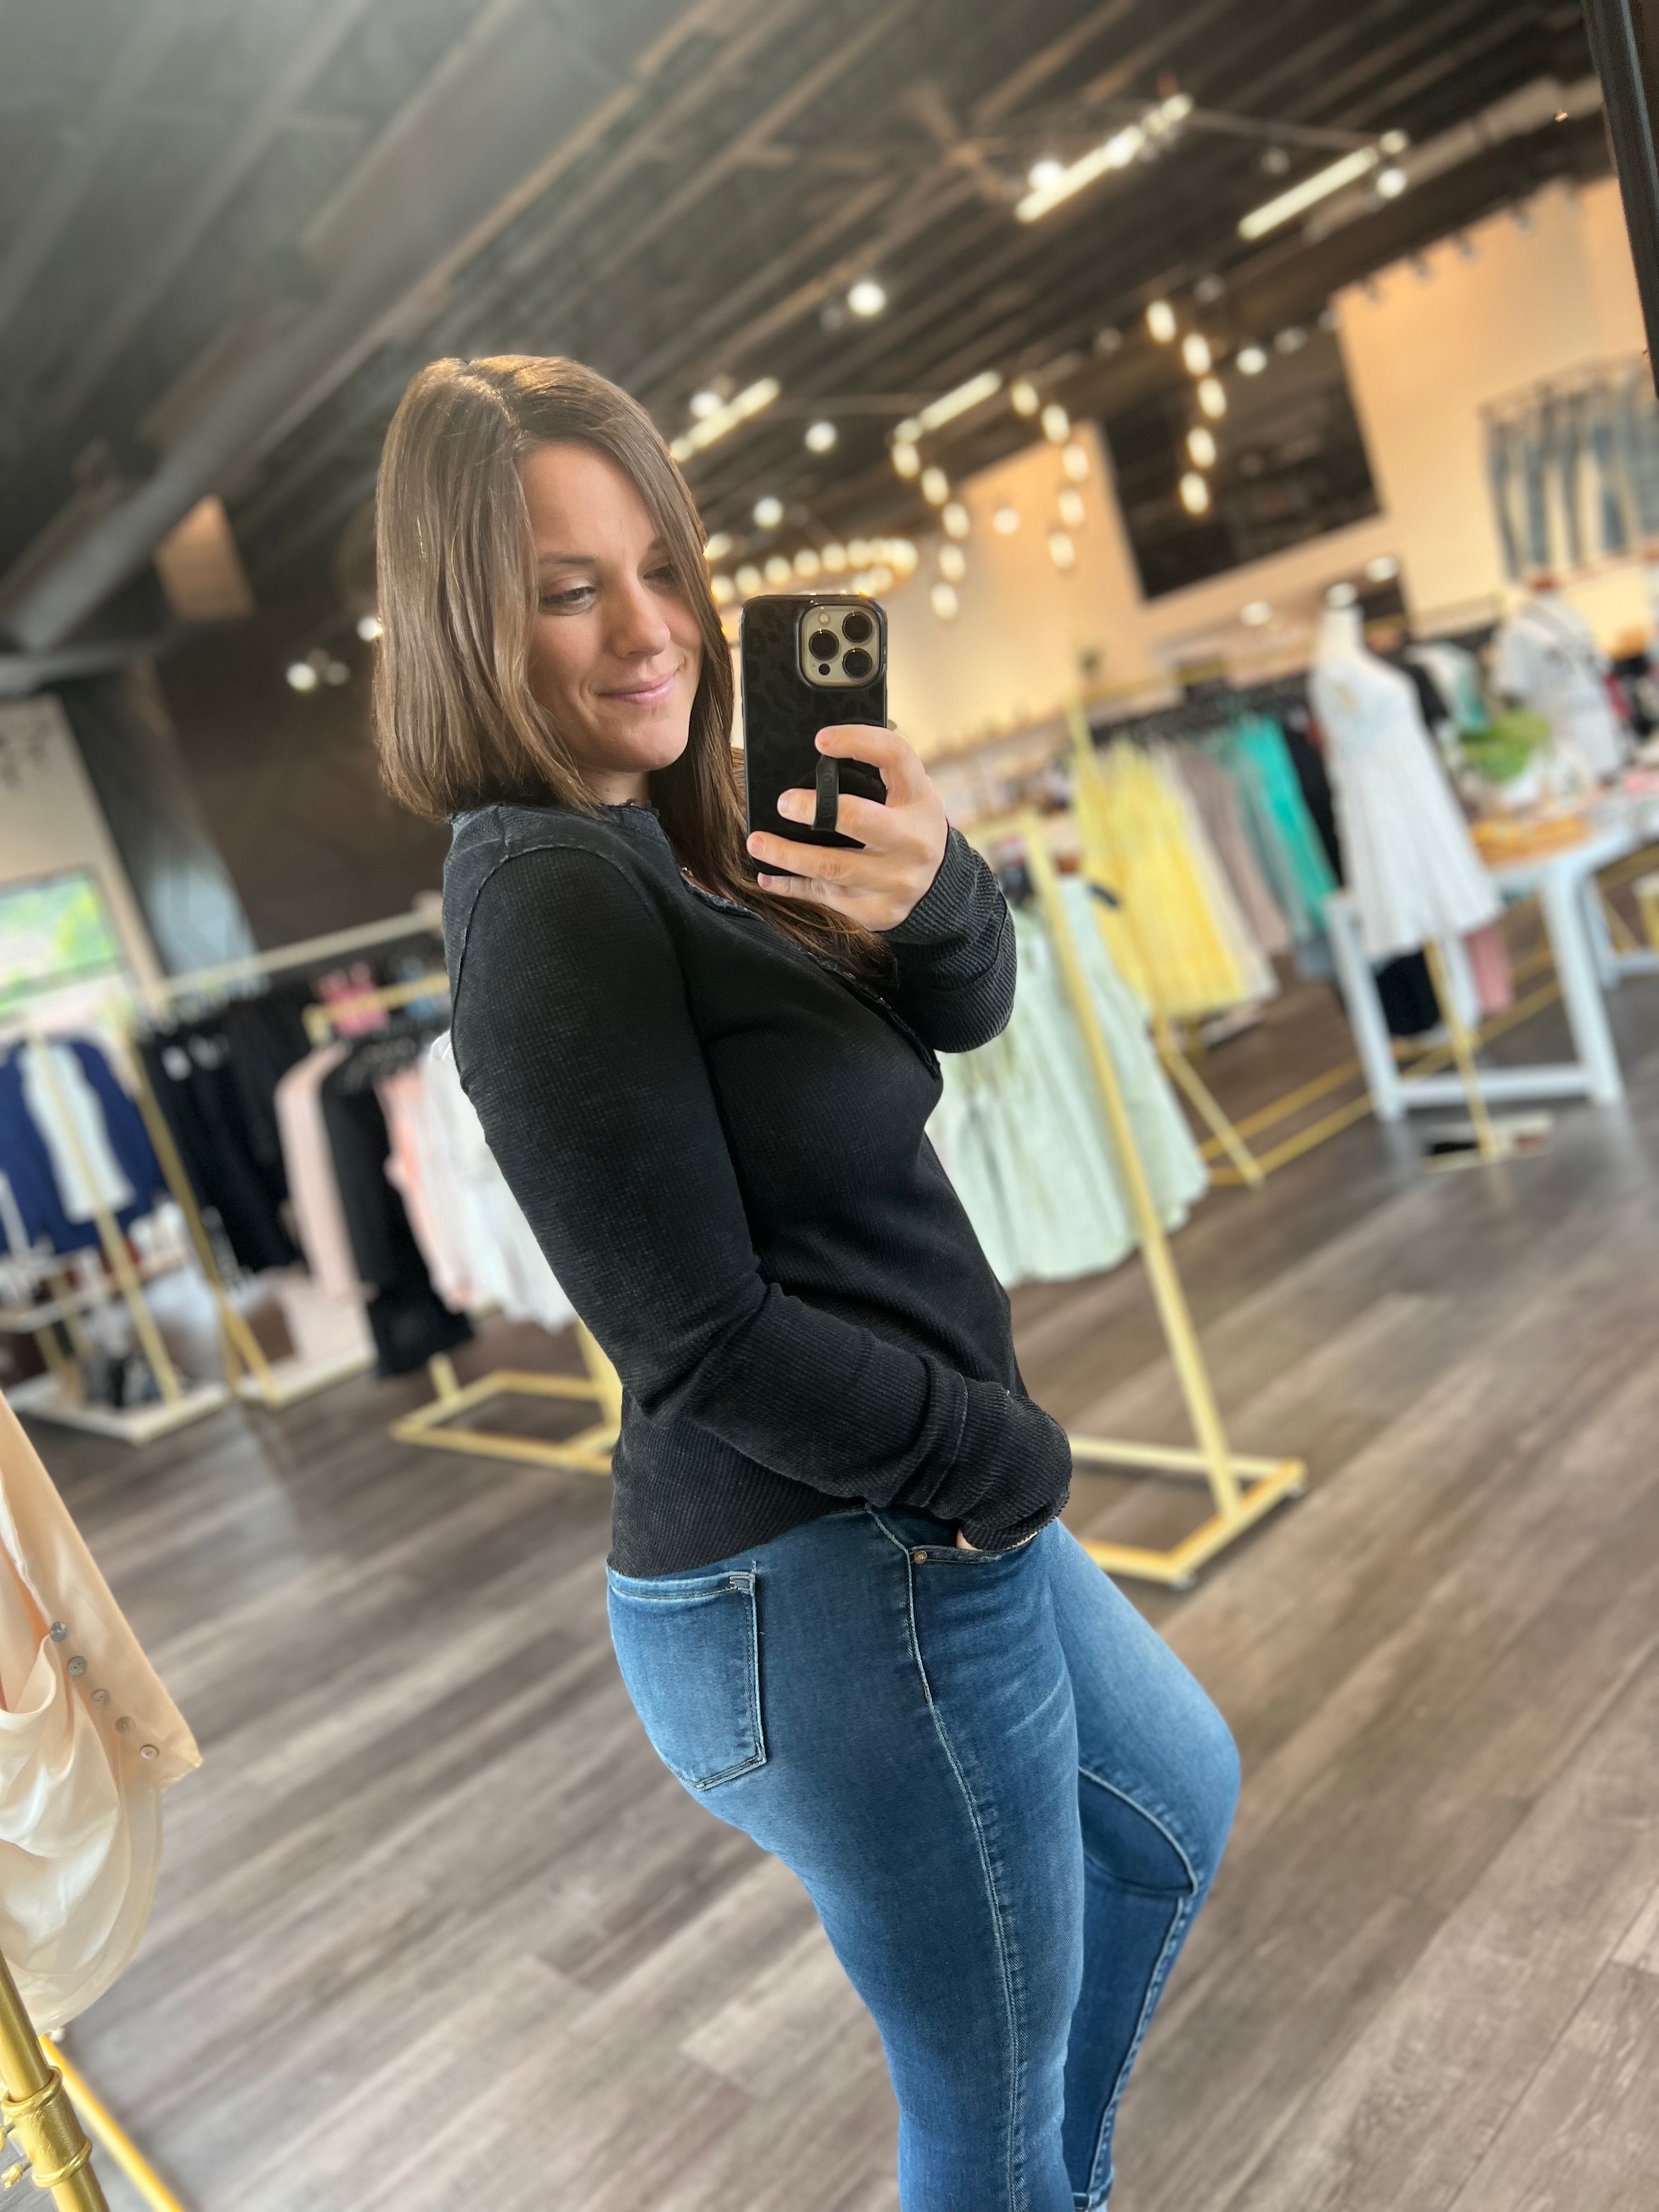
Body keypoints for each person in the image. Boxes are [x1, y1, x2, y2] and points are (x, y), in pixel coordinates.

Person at [373, 352, 1239, 2212]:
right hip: (833, 1568)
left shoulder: (681, 832)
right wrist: (1001, 1461)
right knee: (981, 2122)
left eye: (660, 569)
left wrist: (936, 886)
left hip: (908, 1524)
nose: (646, 631)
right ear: (464, 623)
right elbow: (699, 1340)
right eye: (566, 590)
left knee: (1173, 1819)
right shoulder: (547, 897)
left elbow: (964, 1015)